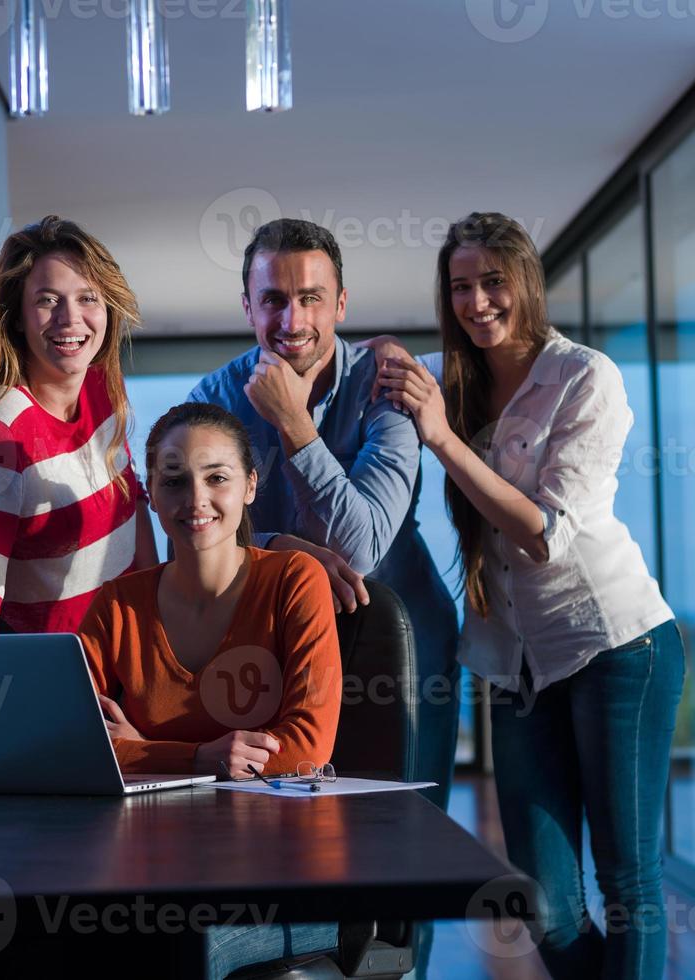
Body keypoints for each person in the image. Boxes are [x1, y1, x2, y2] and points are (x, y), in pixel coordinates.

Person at [373, 212, 683, 980]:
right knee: (542, 895)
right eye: (459, 288)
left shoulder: (584, 377)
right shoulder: (457, 382)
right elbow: (378, 372)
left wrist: (443, 438)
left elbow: (544, 534)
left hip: (614, 646)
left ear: (525, 284)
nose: (476, 303)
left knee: (626, 880)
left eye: (492, 283)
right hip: (512, 664)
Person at [188, 217, 460, 810]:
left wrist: (292, 423)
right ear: (247, 307)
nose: (293, 322)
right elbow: (191, 541)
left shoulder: (387, 387)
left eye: (311, 298)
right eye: (274, 301)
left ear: (340, 303)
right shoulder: (211, 401)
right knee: (290, 842)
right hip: (276, 654)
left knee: (408, 837)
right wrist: (279, 546)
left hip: (401, 647)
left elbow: (361, 549)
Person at [78, 401, 342, 978]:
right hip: (153, 862)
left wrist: (139, 752)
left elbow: (306, 747)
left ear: (250, 486)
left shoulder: (295, 581)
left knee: (180, 941)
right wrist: (200, 758)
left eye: (216, 478)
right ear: (150, 492)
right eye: (173, 481)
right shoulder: (116, 605)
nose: (195, 500)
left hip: (282, 874)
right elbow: (71, 742)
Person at [0, 216, 157, 636]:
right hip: (62, 672)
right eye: (48, 300)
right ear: (16, 316)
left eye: (88, 298)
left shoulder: (100, 377)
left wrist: (155, 612)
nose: (70, 320)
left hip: (128, 651)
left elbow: (130, 494)